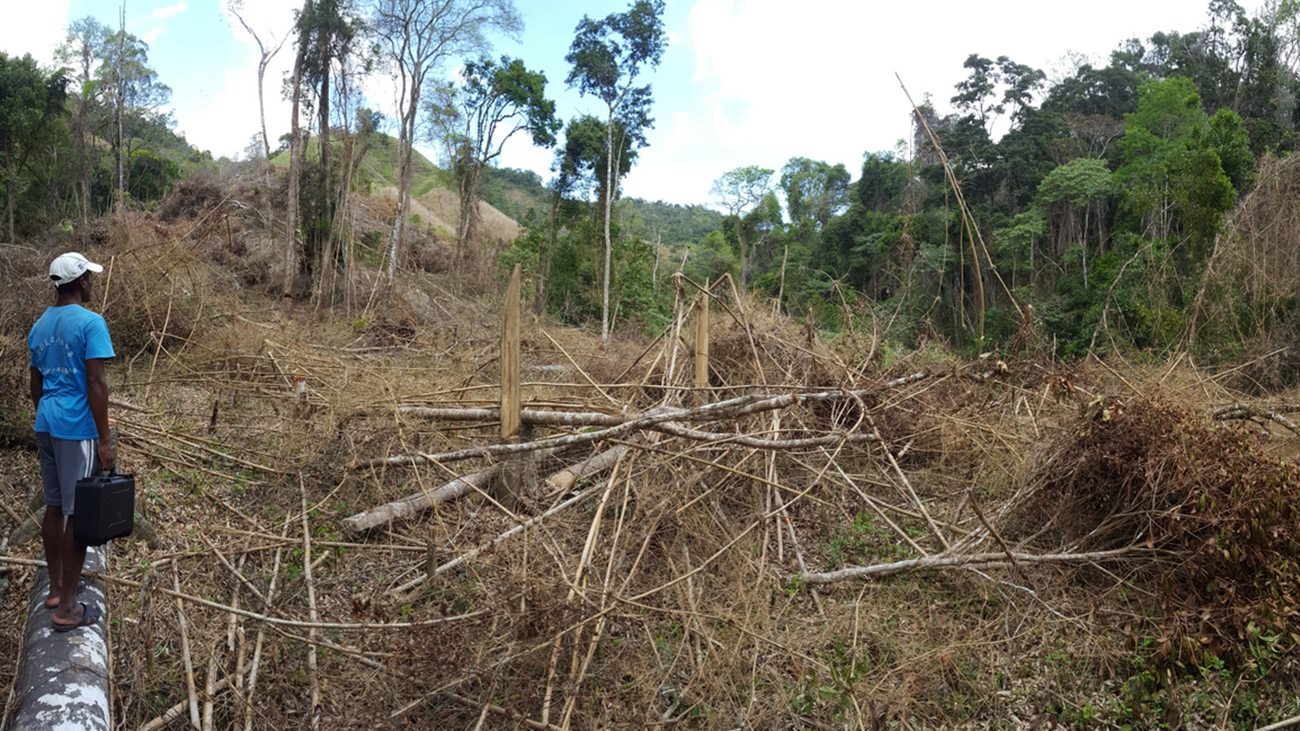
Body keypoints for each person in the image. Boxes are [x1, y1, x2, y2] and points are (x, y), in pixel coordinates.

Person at [28, 252, 114, 631]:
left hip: (46, 421)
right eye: (90, 278)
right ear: (80, 282)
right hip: (76, 428)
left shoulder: (40, 325)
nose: (92, 283)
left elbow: (35, 382)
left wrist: (47, 413)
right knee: (77, 512)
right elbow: (96, 383)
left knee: (54, 505)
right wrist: (104, 440)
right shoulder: (91, 323)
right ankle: (67, 608)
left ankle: (55, 589)